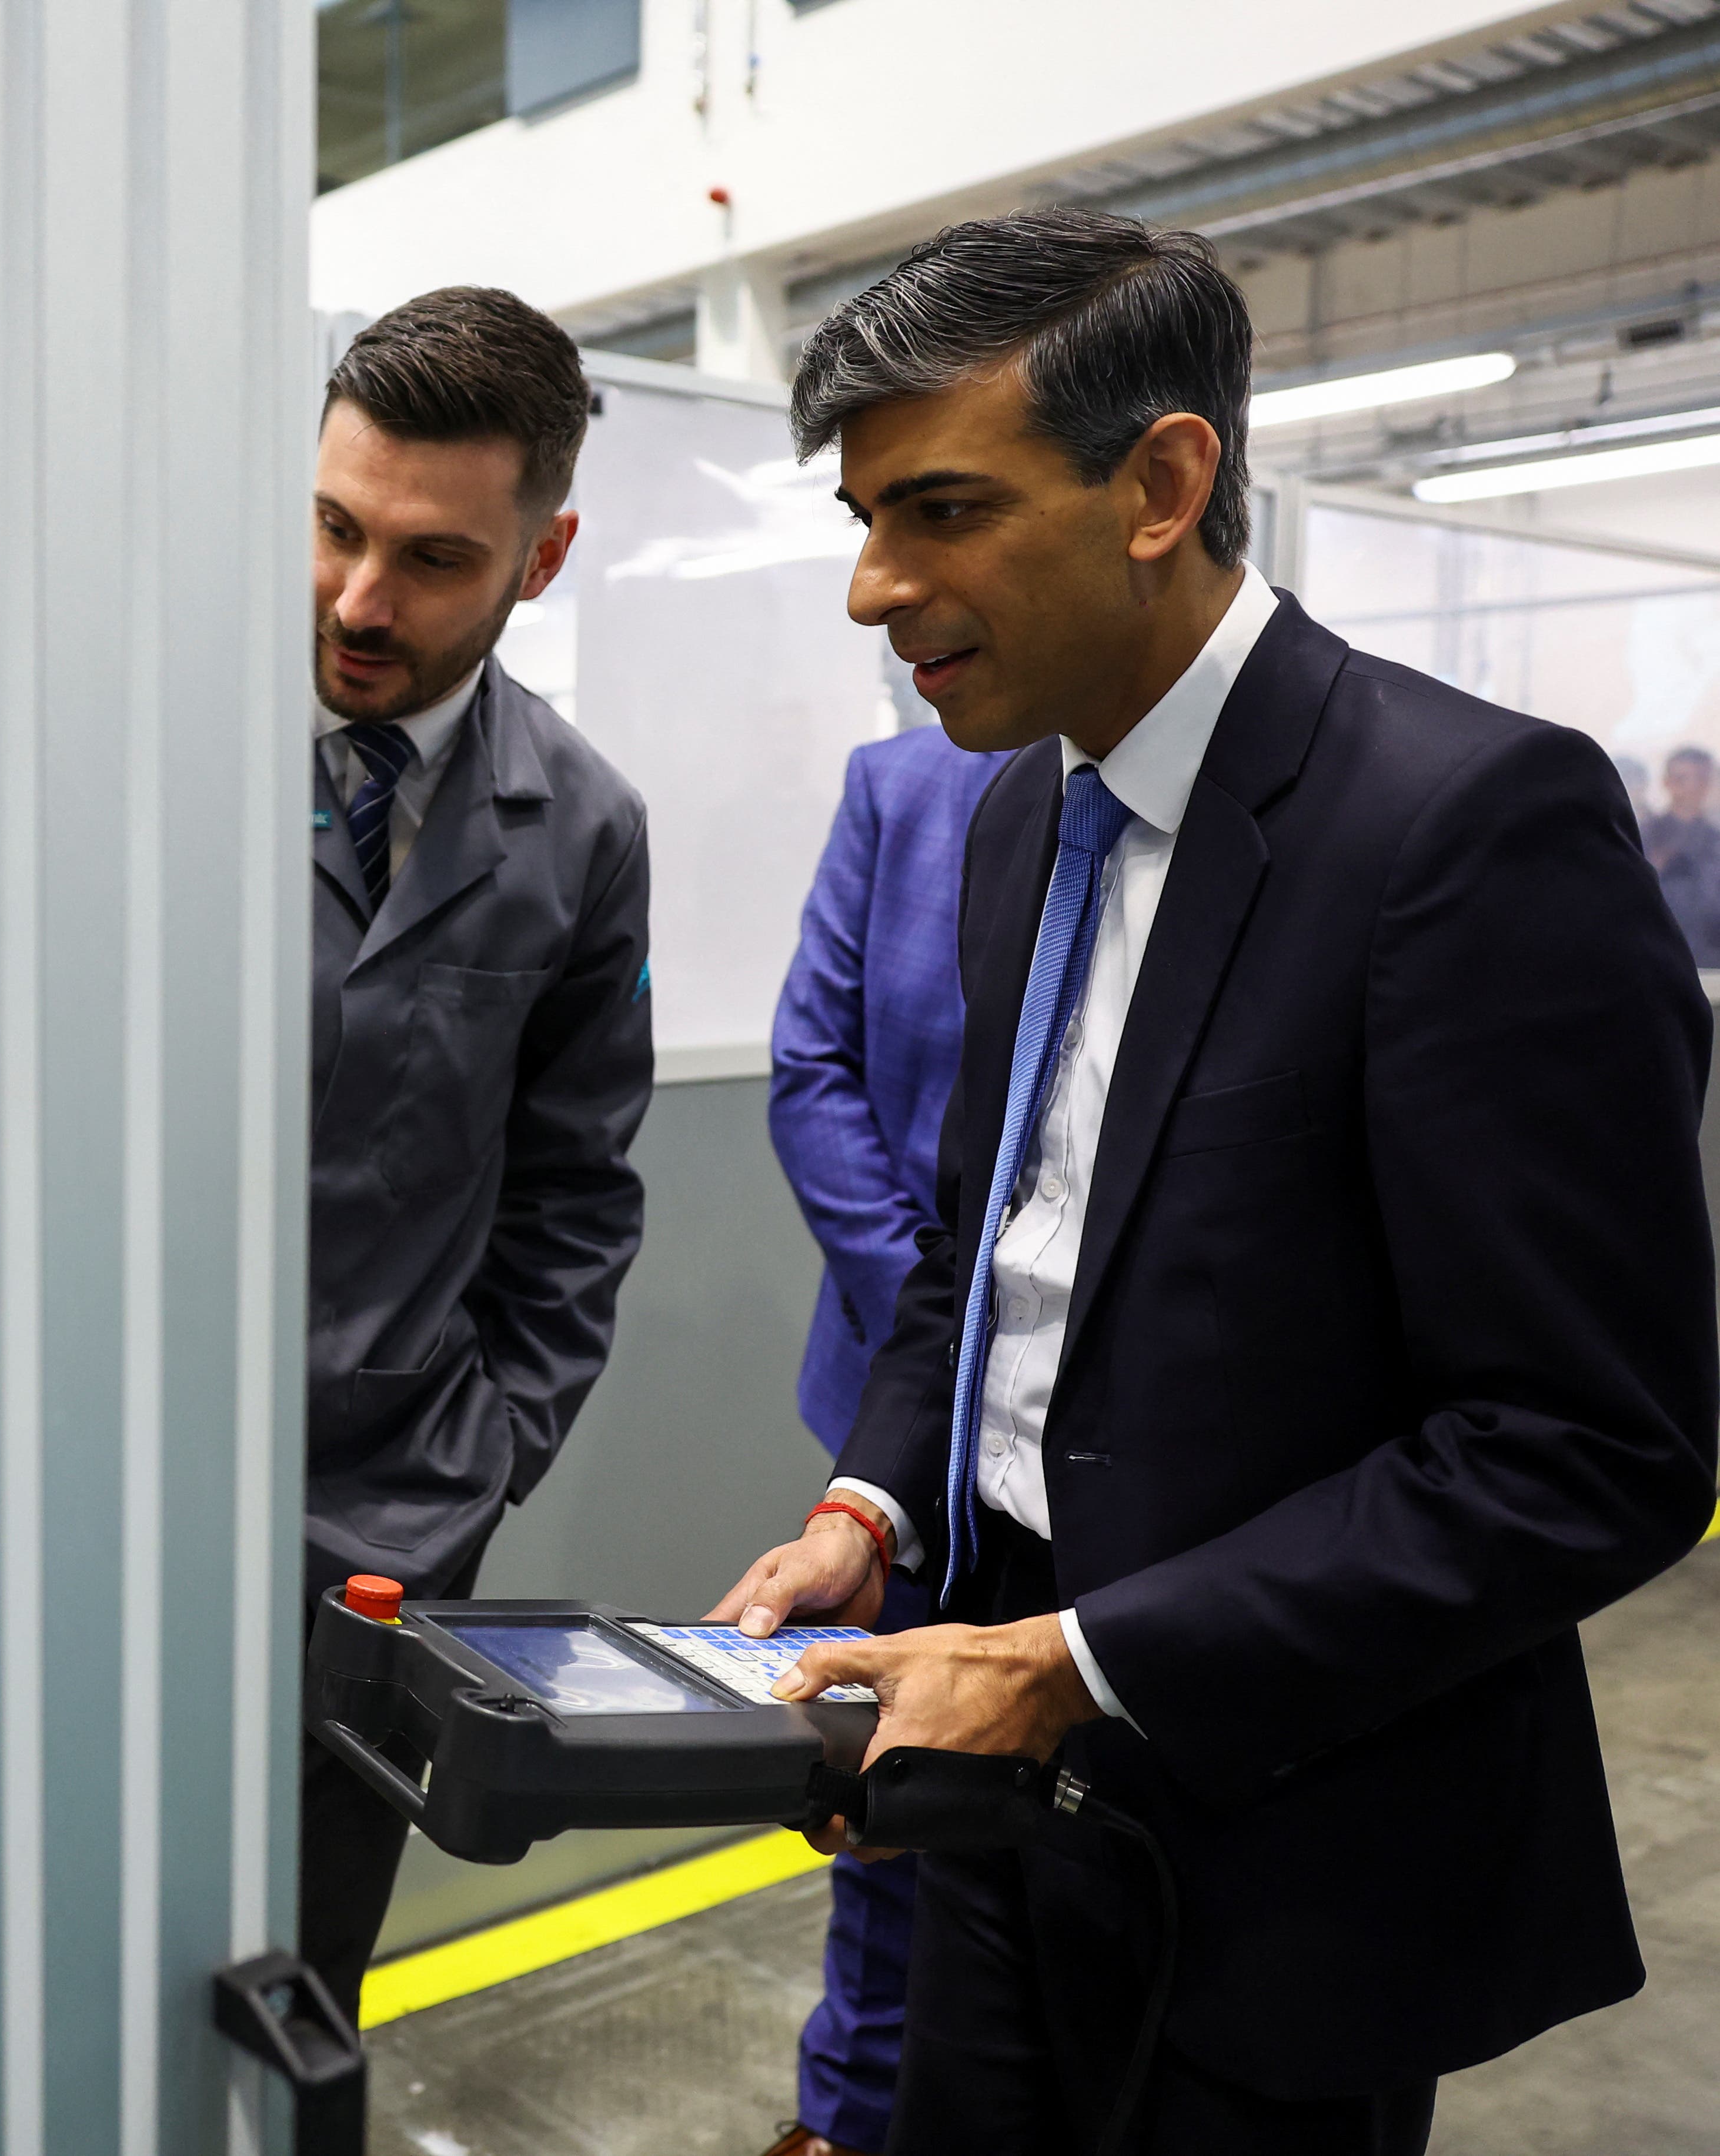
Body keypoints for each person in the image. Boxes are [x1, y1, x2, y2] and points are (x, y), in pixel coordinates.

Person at [707, 208, 1717, 2155]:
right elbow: (997, 1244)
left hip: (1280, 1848)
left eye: (936, 510)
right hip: (988, 1786)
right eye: (862, 516)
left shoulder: (1466, 828)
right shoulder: (1024, 812)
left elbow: (1588, 1445)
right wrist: (872, 1494)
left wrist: (1086, 1660)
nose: (871, 587)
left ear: (1163, 481)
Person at [302, 287, 656, 2020]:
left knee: (298, 1984)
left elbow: (576, 1190)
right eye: (333, 526)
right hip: (96, 1498)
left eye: (433, 559)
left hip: (380, 1525)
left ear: (545, 552)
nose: (359, 601)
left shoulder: (581, 831)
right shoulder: (129, 749)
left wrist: (484, 1458)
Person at [760, 711, 996, 2156]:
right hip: (897, 1418)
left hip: (1109, 1442)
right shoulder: (898, 787)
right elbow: (811, 1069)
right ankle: (843, 2116)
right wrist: (945, 1315)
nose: (885, 586)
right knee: (883, 1795)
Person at [1642, 743, 1720, 963]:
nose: (1692, 788)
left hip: (1711, 962)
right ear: (1667, 783)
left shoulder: (1716, 841)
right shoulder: (1643, 837)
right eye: (1683, 780)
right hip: (1656, 958)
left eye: (1701, 779)